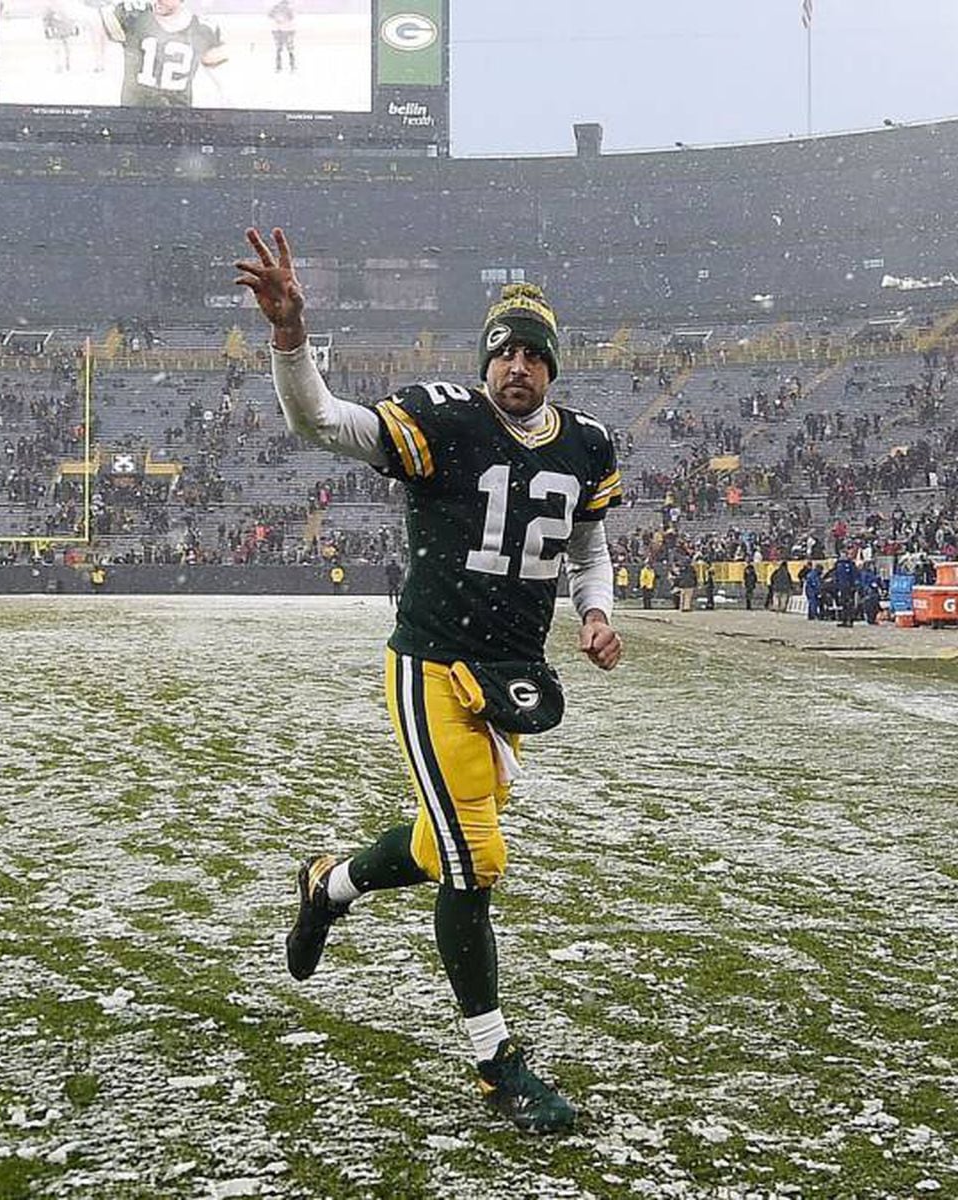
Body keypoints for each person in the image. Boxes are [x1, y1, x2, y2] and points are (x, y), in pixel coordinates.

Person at [236, 227, 623, 1136]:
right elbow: (321, 422)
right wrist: (292, 337)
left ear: (553, 369)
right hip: (431, 662)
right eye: (504, 351)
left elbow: (589, 546)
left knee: (440, 839)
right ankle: (497, 1064)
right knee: (475, 858)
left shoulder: (586, 446)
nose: (516, 366)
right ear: (483, 360)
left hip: (508, 677)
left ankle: (328, 884)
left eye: (533, 354)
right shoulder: (443, 420)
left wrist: (597, 613)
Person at [101, 0, 227, 108]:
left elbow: (217, 66)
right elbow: (105, 20)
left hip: (177, 115)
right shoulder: (136, 15)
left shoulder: (203, 29)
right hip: (135, 113)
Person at [268, 0, 296, 73]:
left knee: (281, 49)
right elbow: (291, 17)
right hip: (284, 30)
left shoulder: (278, 8)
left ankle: (283, 66)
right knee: (286, 49)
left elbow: (291, 17)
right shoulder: (285, 8)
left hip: (282, 30)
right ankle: (289, 66)